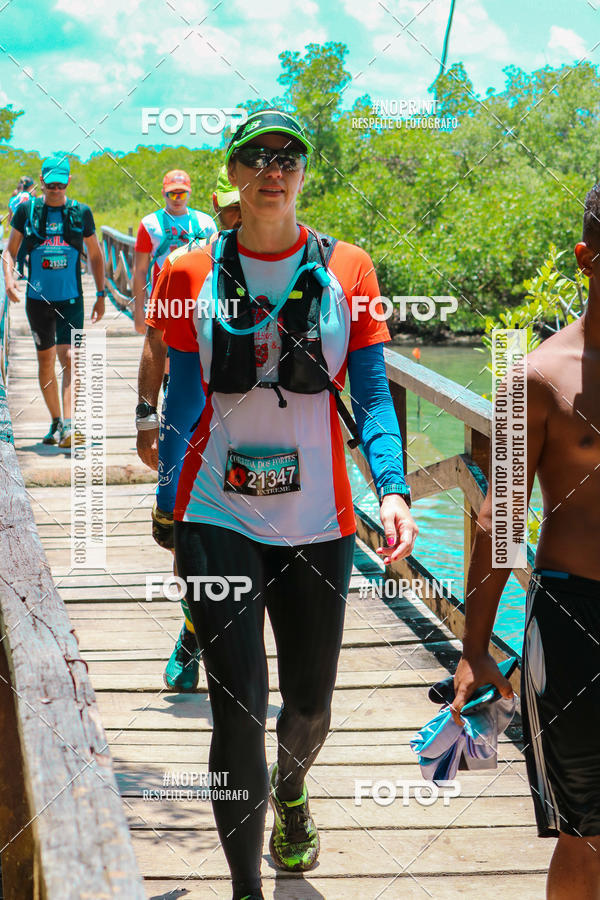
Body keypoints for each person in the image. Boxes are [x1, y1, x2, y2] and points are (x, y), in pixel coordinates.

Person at [148, 108, 418, 900]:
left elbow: (370, 391)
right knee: (238, 708)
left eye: (288, 157)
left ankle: (292, 787)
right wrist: (169, 504)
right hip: (217, 513)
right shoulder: (186, 273)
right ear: (231, 173)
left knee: (308, 706)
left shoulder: (352, 269)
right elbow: (184, 397)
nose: (274, 169)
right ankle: (245, 891)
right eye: (256, 157)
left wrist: (394, 490)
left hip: (319, 521)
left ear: (304, 172)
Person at [452, 185, 600, 899]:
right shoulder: (539, 377)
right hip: (577, 624)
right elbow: (497, 520)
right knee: (586, 832)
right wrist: (475, 649)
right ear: (586, 257)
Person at [137, 167, 241, 691]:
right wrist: (144, 416)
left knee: (250, 538)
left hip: (253, 428)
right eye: (229, 209)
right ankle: (192, 631)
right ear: (216, 212)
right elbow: (155, 342)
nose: (237, 217)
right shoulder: (184, 264)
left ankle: (215, 644)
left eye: (242, 207)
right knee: (179, 536)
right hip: (187, 414)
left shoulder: (294, 267)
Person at [2, 155, 105, 447]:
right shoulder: (27, 211)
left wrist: (100, 295)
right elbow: (9, 252)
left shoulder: (80, 213)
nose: (56, 188)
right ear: (42, 180)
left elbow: (96, 255)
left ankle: (71, 426)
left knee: (71, 359)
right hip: (37, 300)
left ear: (68, 182)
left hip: (71, 298)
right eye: (50, 183)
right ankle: (57, 421)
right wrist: (9, 281)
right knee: (45, 361)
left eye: (61, 183)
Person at [132, 169, 216, 334]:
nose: (177, 199)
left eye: (182, 194)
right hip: (162, 304)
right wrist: (138, 311)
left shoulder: (206, 222)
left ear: (189, 193)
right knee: (162, 356)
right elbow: (140, 270)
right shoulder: (149, 224)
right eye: (172, 194)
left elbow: (215, 266)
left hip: (198, 302)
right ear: (163, 193)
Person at [8, 176, 35, 278]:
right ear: (31, 185)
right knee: (27, 251)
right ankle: (23, 272)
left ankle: (15, 273)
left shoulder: (14, 199)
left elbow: (11, 211)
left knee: (15, 252)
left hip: (17, 228)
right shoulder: (29, 198)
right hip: (28, 228)